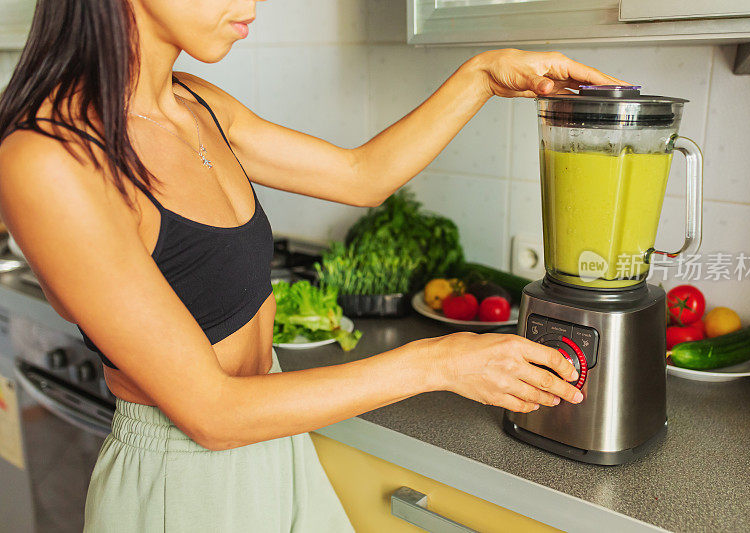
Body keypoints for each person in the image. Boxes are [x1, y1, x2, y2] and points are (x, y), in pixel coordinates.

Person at [0, 1, 624, 531]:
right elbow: (213, 413)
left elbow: (363, 176)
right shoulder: (51, 158)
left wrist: (483, 76)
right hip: (185, 482)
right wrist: (440, 361)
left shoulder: (194, 103)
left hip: (276, 442)